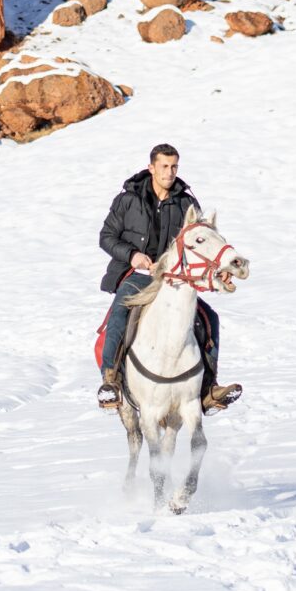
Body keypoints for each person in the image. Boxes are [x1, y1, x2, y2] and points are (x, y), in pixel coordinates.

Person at [96, 143, 242, 412]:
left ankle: (209, 390)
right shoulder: (128, 200)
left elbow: (202, 242)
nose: (170, 172)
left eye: (174, 166)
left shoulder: (186, 202)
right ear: (151, 167)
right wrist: (133, 256)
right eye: (164, 166)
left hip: (174, 280)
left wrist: (217, 267)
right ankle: (111, 381)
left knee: (209, 319)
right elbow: (106, 237)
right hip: (138, 275)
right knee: (120, 314)